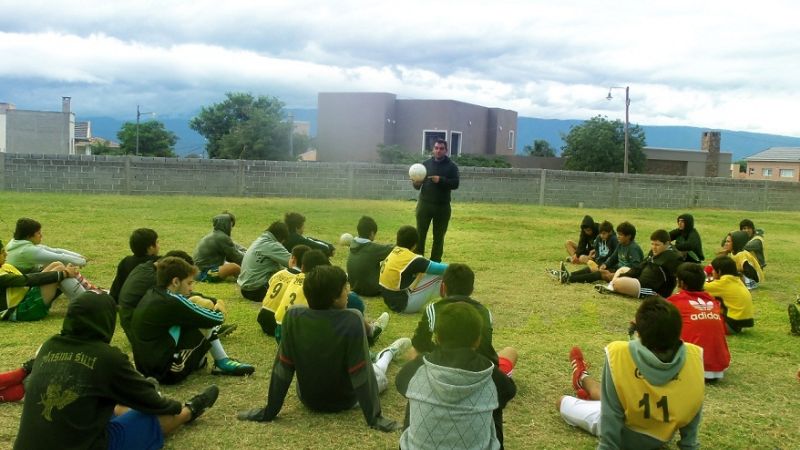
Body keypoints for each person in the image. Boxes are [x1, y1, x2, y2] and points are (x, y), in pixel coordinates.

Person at [13, 291, 220, 450]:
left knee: (106, 404)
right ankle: (191, 410)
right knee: (148, 417)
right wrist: (176, 406)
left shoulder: (49, 346)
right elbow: (153, 403)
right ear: (107, 319)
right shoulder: (107, 357)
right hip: (85, 444)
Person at [237, 265, 403, 432]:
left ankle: (386, 355)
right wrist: (375, 418)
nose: (348, 292)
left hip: (308, 399)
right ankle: (388, 354)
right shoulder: (352, 319)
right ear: (333, 297)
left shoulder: (293, 316)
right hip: (346, 400)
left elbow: (283, 367)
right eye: (345, 288)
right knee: (377, 371)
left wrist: (269, 411)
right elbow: (361, 372)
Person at [558, 296, 705, 449]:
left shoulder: (619, 353)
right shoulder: (694, 356)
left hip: (624, 434)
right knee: (615, 396)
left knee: (562, 401)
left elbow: (611, 414)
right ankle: (582, 379)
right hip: (661, 436)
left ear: (638, 331)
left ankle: (582, 377)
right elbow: (692, 412)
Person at [398, 302, 517, 449]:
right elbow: (509, 391)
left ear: (437, 338)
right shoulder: (490, 373)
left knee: (414, 392)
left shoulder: (419, 366)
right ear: (478, 340)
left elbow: (400, 383)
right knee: (495, 405)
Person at [130, 257, 254, 383]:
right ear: (176, 282)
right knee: (203, 321)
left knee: (195, 315)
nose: (191, 288)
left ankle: (208, 361)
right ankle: (222, 362)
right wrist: (219, 307)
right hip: (167, 372)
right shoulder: (173, 301)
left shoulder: (153, 293)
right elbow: (216, 319)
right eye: (189, 283)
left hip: (145, 369)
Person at [412, 263, 518, 377]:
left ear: (443, 287)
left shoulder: (433, 309)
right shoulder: (484, 312)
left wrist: (435, 350)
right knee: (510, 351)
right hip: (481, 373)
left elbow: (419, 343)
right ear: (471, 289)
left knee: (412, 351)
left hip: (443, 369)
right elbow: (485, 348)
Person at [667, 263, 730, 381]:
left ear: (681, 283)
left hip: (691, 366)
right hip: (719, 366)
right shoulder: (713, 302)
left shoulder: (675, 301)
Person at [1, 239, 91, 321]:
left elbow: (30, 279)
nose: (6, 254)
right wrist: (64, 274)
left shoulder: (6, 266)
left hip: (25, 298)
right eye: (1, 252)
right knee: (60, 271)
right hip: (20, 311)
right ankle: (88, 305)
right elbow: (26, 280)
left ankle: (88, 298)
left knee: (57, 264)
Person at [379, 225, 448, 313]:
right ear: (415, 245)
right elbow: (445, 269)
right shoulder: (412, 259)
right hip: (403, 304)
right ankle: (457, 302)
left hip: (389, 301)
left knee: (422, 274)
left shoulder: (393, 252)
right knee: (441, 276)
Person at [413, 138, 459, 263]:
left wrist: (441, 180)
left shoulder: (452, 166)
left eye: (441, 148)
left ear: (446, 150)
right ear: (433, 149)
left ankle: (435, 263)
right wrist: (416, 182)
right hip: (425, 205)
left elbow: (456, 183)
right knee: (420, 235)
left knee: (438, 238)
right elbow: (417, 186)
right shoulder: (425, 165)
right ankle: (418, 262)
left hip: (442, 207)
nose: (438, 151)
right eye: (436, 148)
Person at [602, 229, 682, 299]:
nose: (654, 247)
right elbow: (640, 266)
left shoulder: (673, 257)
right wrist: (625, 275)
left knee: (617, 283)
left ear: (667, 243)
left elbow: (674, 280)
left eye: (657, 245)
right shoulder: (655, 252)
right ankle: (611, 287)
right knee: (623, 270)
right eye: (652, 244)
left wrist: (664, 294)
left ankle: (614, 285)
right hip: (639, 279)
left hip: (648, 288)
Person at [257, 244, 309, 336]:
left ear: (293, 259)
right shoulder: (300, 280)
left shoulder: (279, 273)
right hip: (278, 323)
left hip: (262, 317)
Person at [5, 217, 87, 273]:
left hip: (26, 278)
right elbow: (60, 257)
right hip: (23, 288)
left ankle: (87, 290)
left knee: (57, 265)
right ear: (28, 236)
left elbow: (56, 251)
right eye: (38, 233)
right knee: (60, 268)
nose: (41, 235)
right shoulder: (27, 250)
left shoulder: (16, 243)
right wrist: (81, 261)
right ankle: (83, 293)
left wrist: (79, 257)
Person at [238, 221, 291, 302]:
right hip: (258, 291)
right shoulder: (272, 245)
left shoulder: (259, 240)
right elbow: (293, 264)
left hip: (244, 289)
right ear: (281, 238)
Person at [551, 221, 620, 284]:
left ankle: (569, 278)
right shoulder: (599, 238)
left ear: (610, 232)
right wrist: (597, 262)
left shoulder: (614, 240)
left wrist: (604, 265)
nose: (602, 236)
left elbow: (614, 257)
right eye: (600, 233)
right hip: (601, 264)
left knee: (595, 274)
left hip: (609, 266)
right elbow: (598, 252)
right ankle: (566, 274)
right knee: (587, 269)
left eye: (604, 234)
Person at [705, 256, 754, 334]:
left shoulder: (724, 283)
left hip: (730, 325)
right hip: (740, 324)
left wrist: (705, 272)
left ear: (719, 271)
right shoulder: (737, 279)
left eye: (713, 270)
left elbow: (698, 285)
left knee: (701, 313)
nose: (712, 272)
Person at [347, 216, 394, 296]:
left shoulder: (353, 244)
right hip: (371, 290)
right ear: (372, 233)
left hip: (355, 288)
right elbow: (393, 249)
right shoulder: (372, 249)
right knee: (390, 261)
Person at [193, 211, 246, 282]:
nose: (231, 228)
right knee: (234, 267)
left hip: (200, 271)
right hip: (205, 273)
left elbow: (235, 246)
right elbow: (237, 257)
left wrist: (247, 252)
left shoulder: (216, 235)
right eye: (230, 225)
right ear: (225, 224)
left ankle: (234, 277)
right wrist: (250, 258)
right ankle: (246, 279)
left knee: (229, 265)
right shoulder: (221, 238)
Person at [109, 228, 159, 302]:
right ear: (151, 248)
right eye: (157, 242)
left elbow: (116, 289)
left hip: (125, 303)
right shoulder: (157, 263)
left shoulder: (126, 262)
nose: (159, 245)